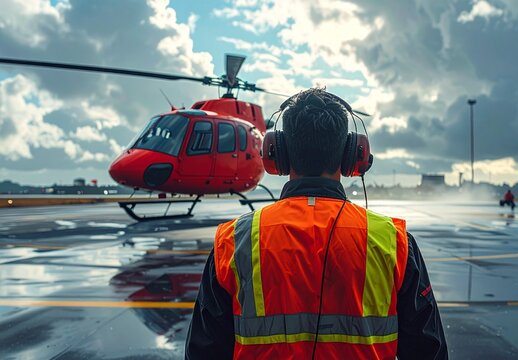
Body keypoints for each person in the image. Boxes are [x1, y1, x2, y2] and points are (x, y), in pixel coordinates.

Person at [185, 88, 447, 359]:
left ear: (278, 153)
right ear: (351, 155)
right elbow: (428, 351)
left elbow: (203, 351)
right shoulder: (395, 243)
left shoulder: (232, 241)